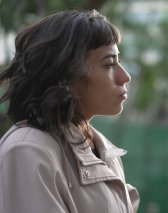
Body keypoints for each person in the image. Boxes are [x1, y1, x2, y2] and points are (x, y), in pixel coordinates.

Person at [0, 10, 139, 213]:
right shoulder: (28, 150)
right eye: (109, 63)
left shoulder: (103, 150)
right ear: (66, 74)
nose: (125, 76)